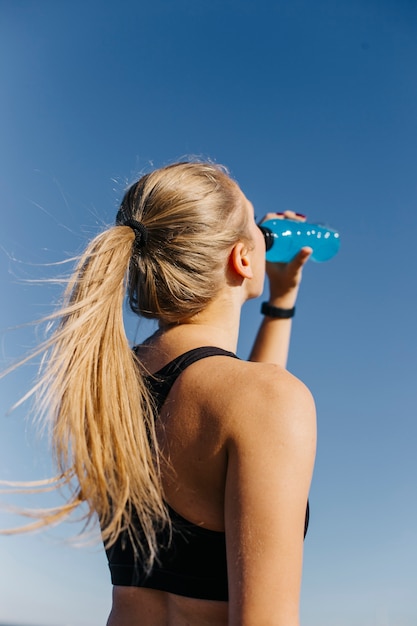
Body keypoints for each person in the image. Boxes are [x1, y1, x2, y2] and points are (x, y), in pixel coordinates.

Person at [3, 161, 316, 625]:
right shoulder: (263, 400)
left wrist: (280, 304)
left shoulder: (107, 388)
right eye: (256, 222)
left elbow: (248, 405)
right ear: (243, 259)